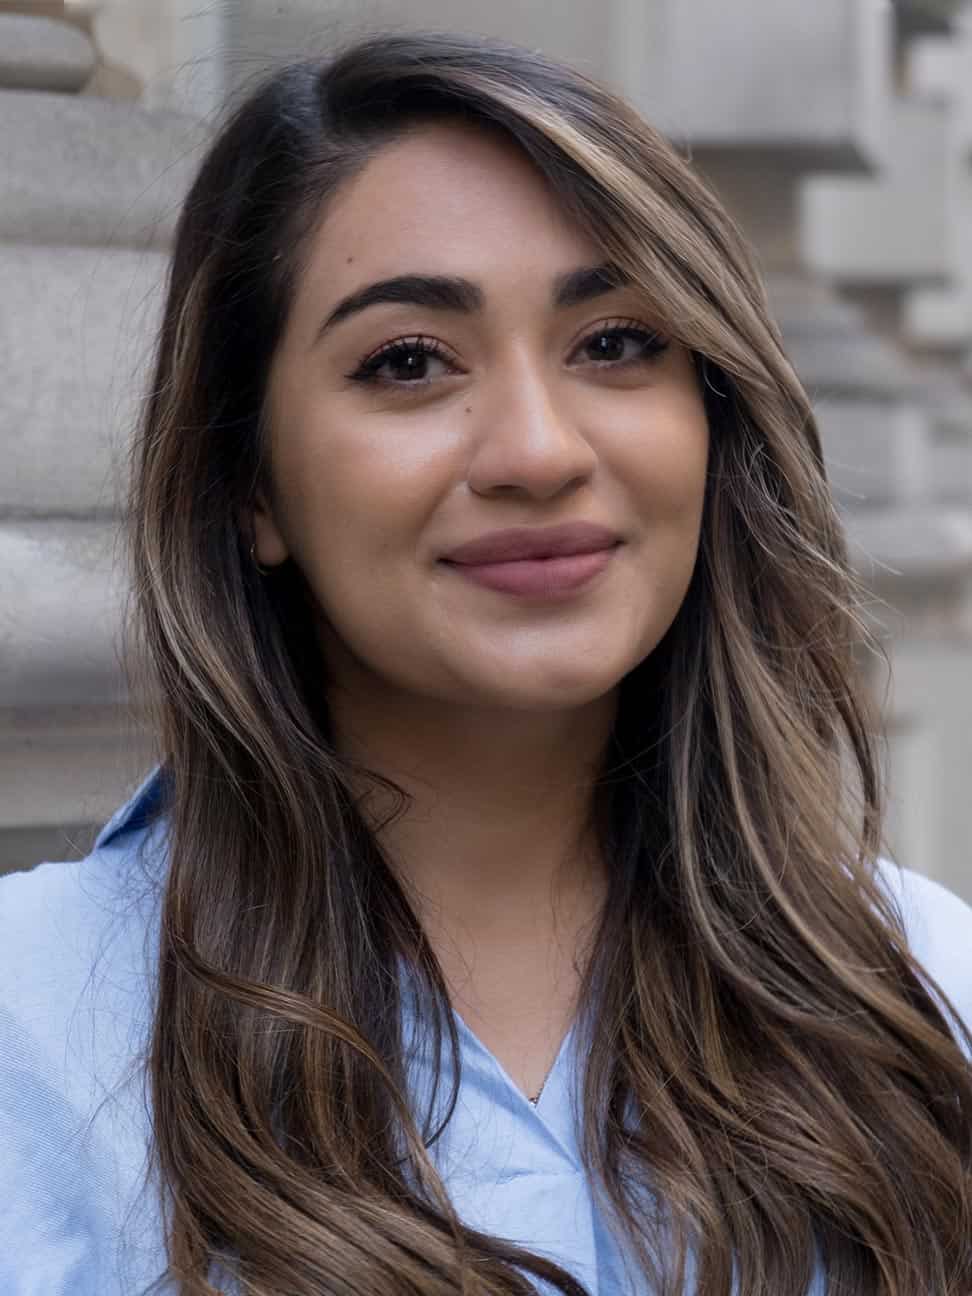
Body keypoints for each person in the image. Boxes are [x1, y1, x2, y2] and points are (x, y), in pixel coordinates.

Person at [1, 27, 970, 1296]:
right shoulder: (33, 1027)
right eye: (408, 362)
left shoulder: (920, 988)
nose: (537, 449)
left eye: (617, 341)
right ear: (252, 484)